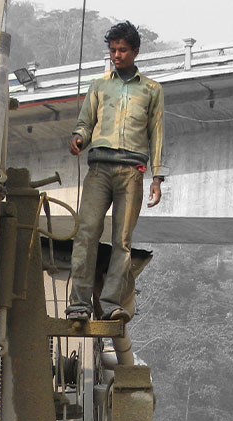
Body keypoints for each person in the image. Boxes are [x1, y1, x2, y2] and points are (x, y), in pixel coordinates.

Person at [65, 20, 166, 323]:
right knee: (86, 235)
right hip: (99, 169)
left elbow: (157, 133)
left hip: (132, 172)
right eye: (113, 50)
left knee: (122, 241)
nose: (116, 55)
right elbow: (85, 122)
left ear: (135, 51)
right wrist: (79, 138)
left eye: (122, 50)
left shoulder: (151, 90)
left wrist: (157, 178)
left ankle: (110, 304)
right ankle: (79, 304)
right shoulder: (99, 86)